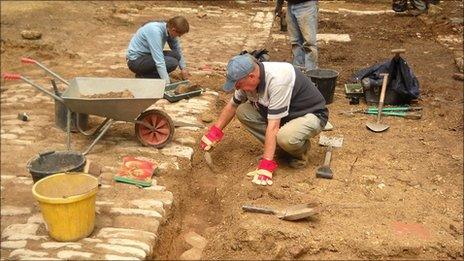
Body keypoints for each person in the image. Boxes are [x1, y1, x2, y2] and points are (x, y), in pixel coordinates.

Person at [199, 54, 328, 186]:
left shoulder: (278, 80)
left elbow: (273, 126)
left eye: (238, 84)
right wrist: (214, 132)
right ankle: (279, 150)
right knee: (243, 111)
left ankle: (300, 153)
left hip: (309, 115)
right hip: (284, 116)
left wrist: (266, 164)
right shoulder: (248, 79)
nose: (236, 88)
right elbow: (232, 105)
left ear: (251, 76)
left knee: (285, 137)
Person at [126, 16, 190, 84]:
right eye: (179, 35)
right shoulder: (154, 31)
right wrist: (167, 83)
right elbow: (159, 60)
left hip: (148, 57)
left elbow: (177, 50)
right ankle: (145, 76)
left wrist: (183, 69)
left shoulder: (169, 30)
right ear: (173, 30)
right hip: (135, 61)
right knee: (172, 62)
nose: (179, 37)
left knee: (176, 55)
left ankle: (153, 75)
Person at [275, 0, 318, 71]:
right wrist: (279, 4)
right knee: (295, 42)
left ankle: (311, 75)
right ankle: (298, 73)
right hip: (290, 5)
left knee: (309, 43)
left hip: (306, 5)